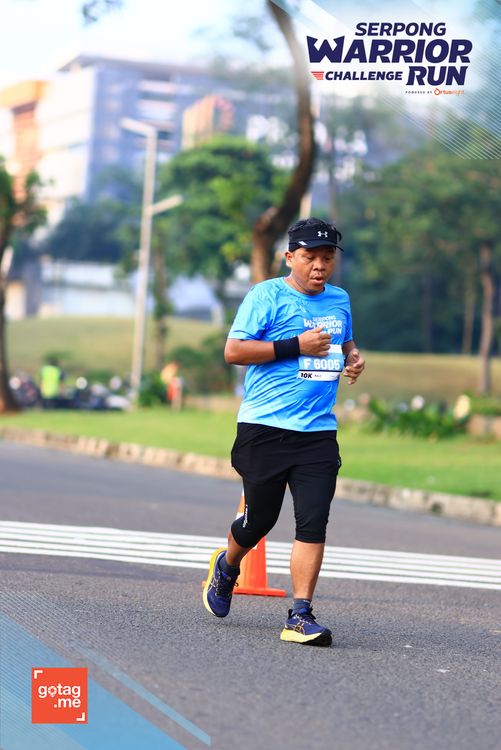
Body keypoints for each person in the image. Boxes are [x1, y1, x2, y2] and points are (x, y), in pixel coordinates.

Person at [202, 217, 365, 646]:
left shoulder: (340, 300)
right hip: (265, 428)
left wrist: (352, 357)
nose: (319, 266)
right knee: (259, 520)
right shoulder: (266, 295)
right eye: (310, 257)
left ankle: (300, 614)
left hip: (318, 432)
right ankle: (228, 567)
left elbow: (344, 340)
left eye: (327, 258)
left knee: (313, 521)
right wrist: (296, 346)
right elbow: (234, 351)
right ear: (289, 257)